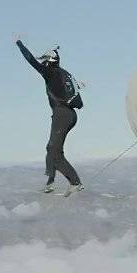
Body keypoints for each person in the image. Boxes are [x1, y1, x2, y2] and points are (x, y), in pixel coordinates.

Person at [16, 39, 84, 196]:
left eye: (45, 61)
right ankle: (50, 182)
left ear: (49, 61)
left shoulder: (50, 72)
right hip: (69, 114)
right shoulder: (64, 73)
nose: (43, 63)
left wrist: (19, 44)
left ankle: (75, 183)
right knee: (51, 148)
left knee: (54, 152)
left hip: (62, 114)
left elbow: (31, 60)